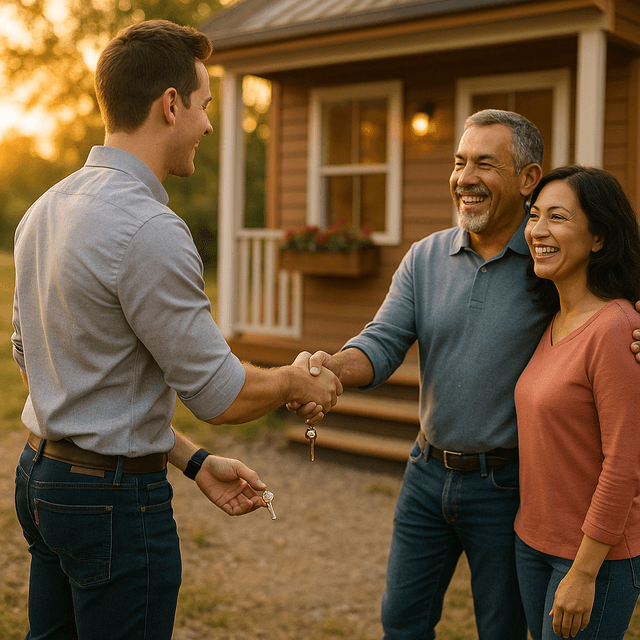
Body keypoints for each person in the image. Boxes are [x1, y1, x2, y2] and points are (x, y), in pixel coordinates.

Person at [12, 19, 341, 640]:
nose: (210, 124)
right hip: (111, 506)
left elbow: (44, 365)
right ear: (171, 105)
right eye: (205, 105)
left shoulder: (45, 209)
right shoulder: (148, 227)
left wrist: (192, 463)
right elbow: (223, 396)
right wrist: (296, 380)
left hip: (43, 482)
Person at [290, 110, 640, 640]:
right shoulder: (425, 258)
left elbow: (611, 296)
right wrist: (329, 370)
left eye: (484, 163)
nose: (464, 178)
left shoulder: (549, 263)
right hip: (426, 473)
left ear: (527, 178)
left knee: (500, 628)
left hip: (508, 485)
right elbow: (382, 343)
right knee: (401, 622)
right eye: (458, 163)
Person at [514, 166, 640, 640]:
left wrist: (585, 571)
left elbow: (624, 462)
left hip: (595, 557)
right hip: (532, 541)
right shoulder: (552, 320)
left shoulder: (614, 329)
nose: (538, 231)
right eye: (535, 215)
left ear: (599, 238)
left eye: (559, 217)